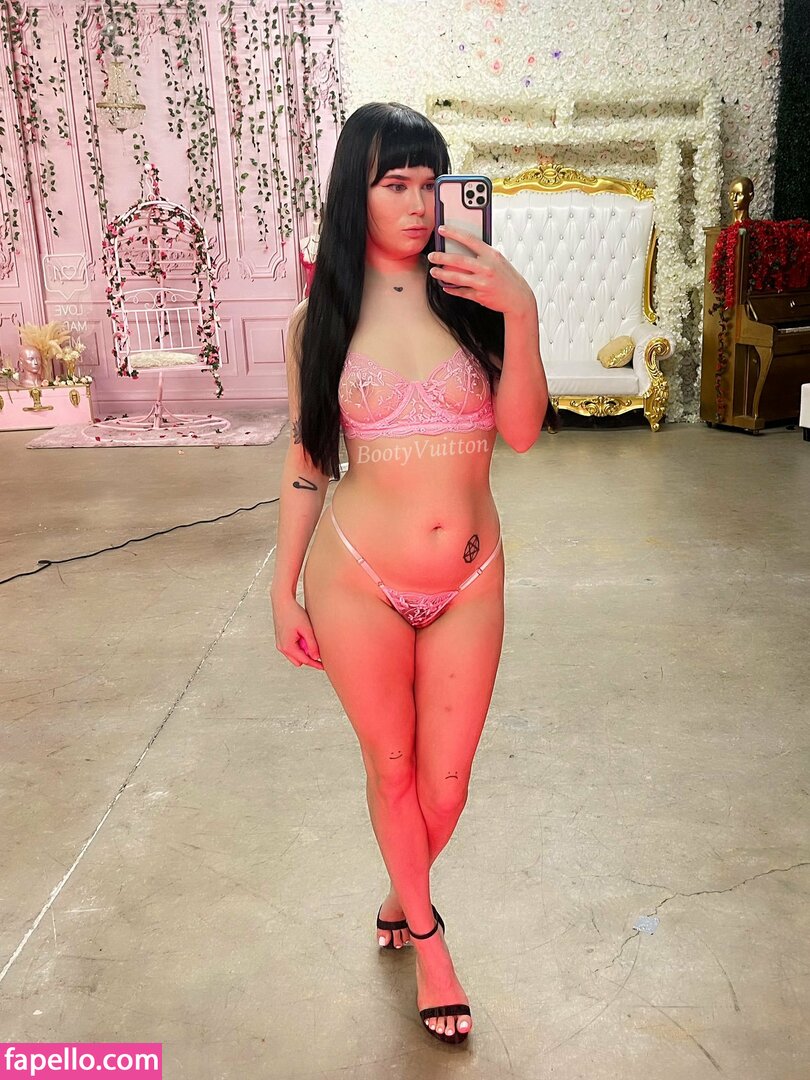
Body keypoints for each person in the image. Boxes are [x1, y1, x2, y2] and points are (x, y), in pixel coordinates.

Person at [270, 101, 550, 1045]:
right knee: (392, 772)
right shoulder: (320, 322)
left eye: (432, 183)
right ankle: (429, 941)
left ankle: (403, 886)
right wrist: (282, 589)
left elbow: (521, 433)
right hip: (356, 580)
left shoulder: (477, 302)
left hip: (471, 577)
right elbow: (309, 460)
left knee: (448, 786)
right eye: (395, 184)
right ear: (356, 193)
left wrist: (522, 309)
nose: (420, 204)